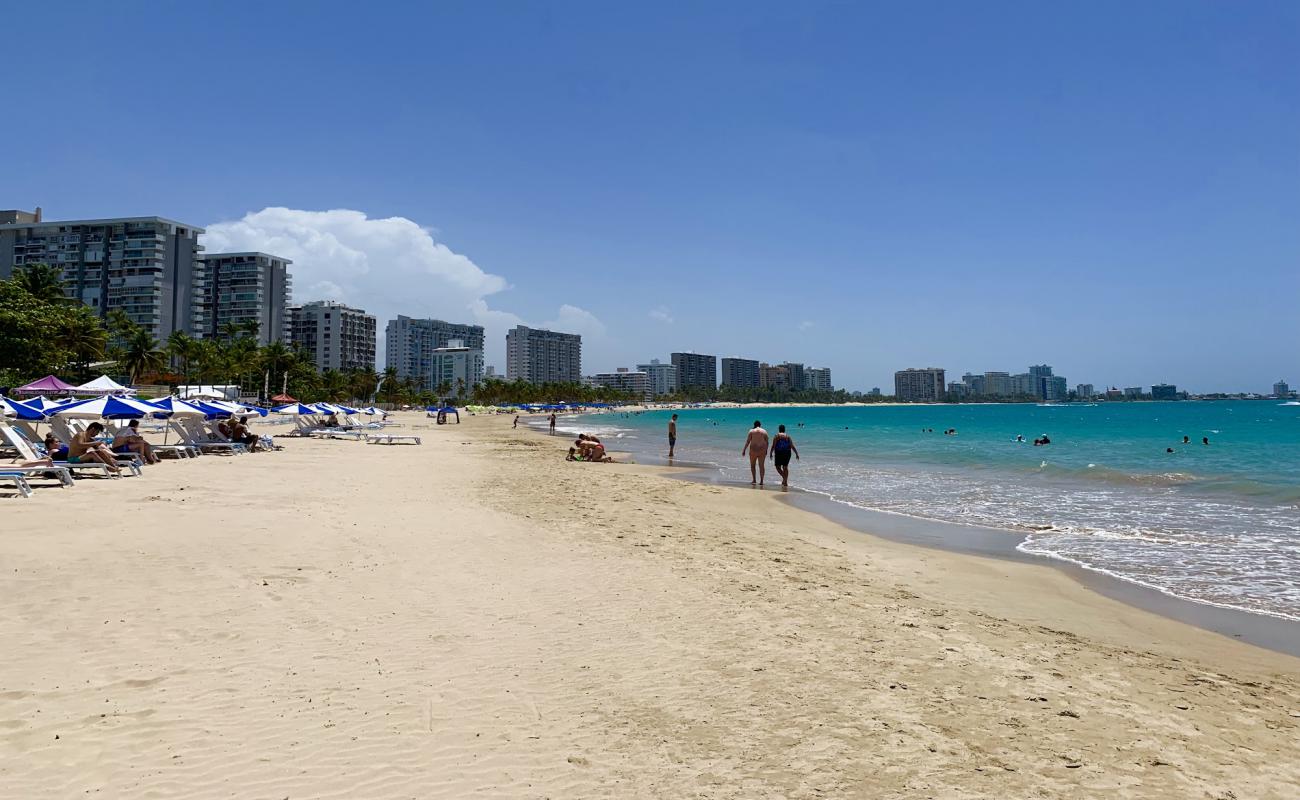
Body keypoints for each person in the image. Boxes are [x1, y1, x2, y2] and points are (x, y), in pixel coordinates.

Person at [741, 420, 770, 486]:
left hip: (753, 450)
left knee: (753, 465)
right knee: (761, 466)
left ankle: (754, 480)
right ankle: (762, 481)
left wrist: (744, 450)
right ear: (760, 425)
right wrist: (766, 450)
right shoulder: (764, 431)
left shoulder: (751, 431)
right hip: (762, 451)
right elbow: (767, 442)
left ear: (754, 425)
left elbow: (748, 441)